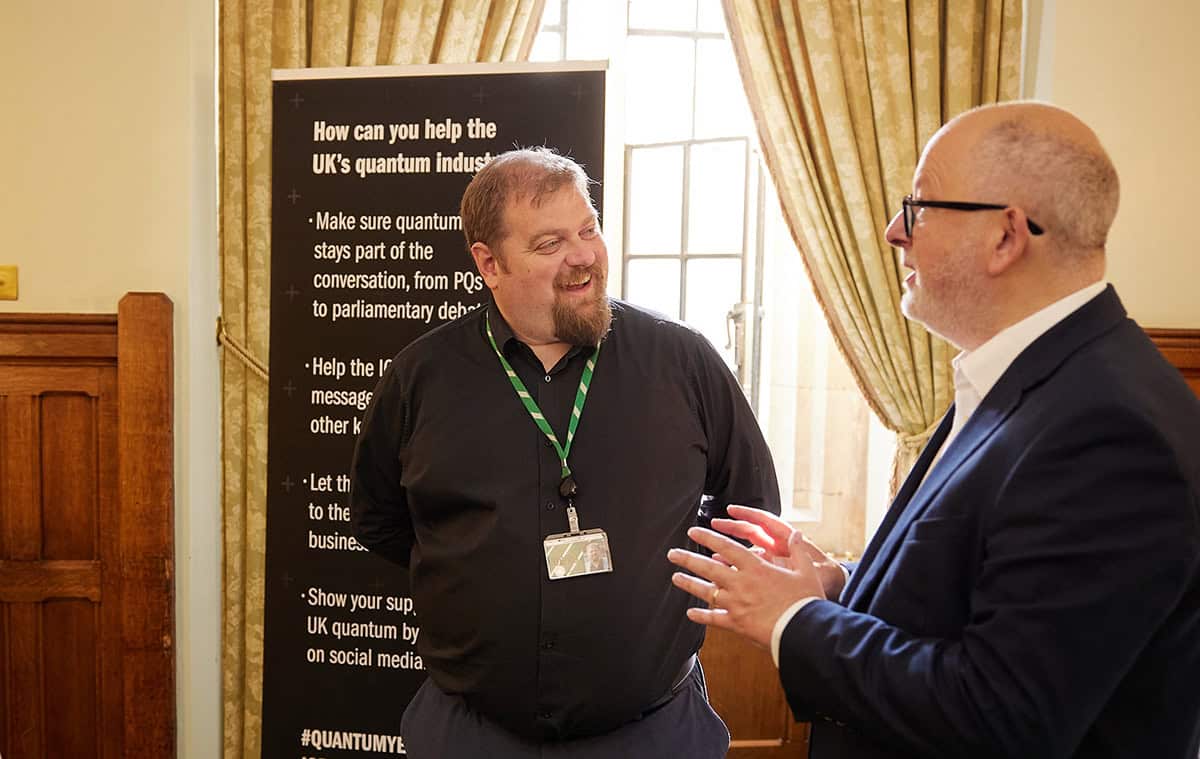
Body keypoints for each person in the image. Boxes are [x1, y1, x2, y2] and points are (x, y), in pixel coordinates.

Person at [667, 101, 1200, 758]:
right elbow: (983, 582)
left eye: (919, 207)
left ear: (1006, 236)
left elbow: (1001, 714)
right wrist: (838, 582)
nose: (895, 231)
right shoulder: (1027, 371)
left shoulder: (1111, 431)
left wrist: (791, 618)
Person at [350, 146, 780, 758]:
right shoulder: (421, 376)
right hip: (471, 735)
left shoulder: (683, 361)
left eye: (588, 228)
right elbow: (382, 519)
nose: (582, 256)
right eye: (550, 244)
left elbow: (753, 510)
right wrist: (475, 576)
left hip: (652, 732)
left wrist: (662, 579)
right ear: (488, 263)